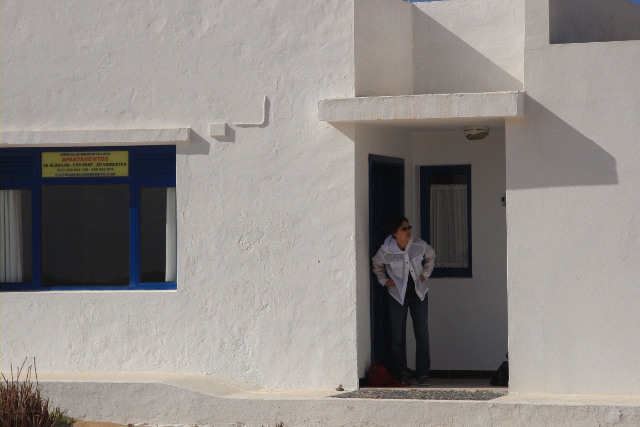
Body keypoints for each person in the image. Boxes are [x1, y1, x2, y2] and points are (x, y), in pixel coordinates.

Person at [372, 215, 435, 386]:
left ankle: (423, 374)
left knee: (422, 335)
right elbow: (376, 264)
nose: (408, 231)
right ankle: (402, 373)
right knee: (397, 337)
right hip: (397, 296)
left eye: (409, 227)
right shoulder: (386, 251)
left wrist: (425, 274)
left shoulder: (418, 245)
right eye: (404, 229)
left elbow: (431, 255)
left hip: (419, 295)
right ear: (394, 233)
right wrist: (384, 280)